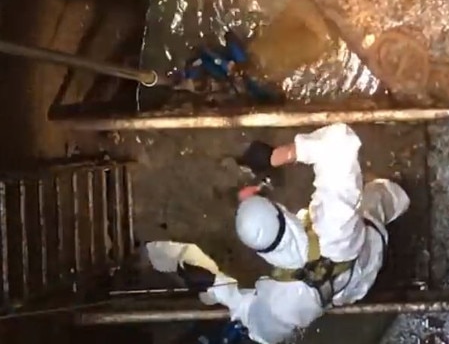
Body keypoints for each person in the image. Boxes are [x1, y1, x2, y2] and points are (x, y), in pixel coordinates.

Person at [145, 123, 410, 344]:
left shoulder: (283, 301)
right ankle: (403, 192)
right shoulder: (334, 224)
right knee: (379, 198)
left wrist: (214, 286)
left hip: (350, 291)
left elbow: (255, 322)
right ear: (280, 211)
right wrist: (279, 155)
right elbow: (341, 143)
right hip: (368, 245)